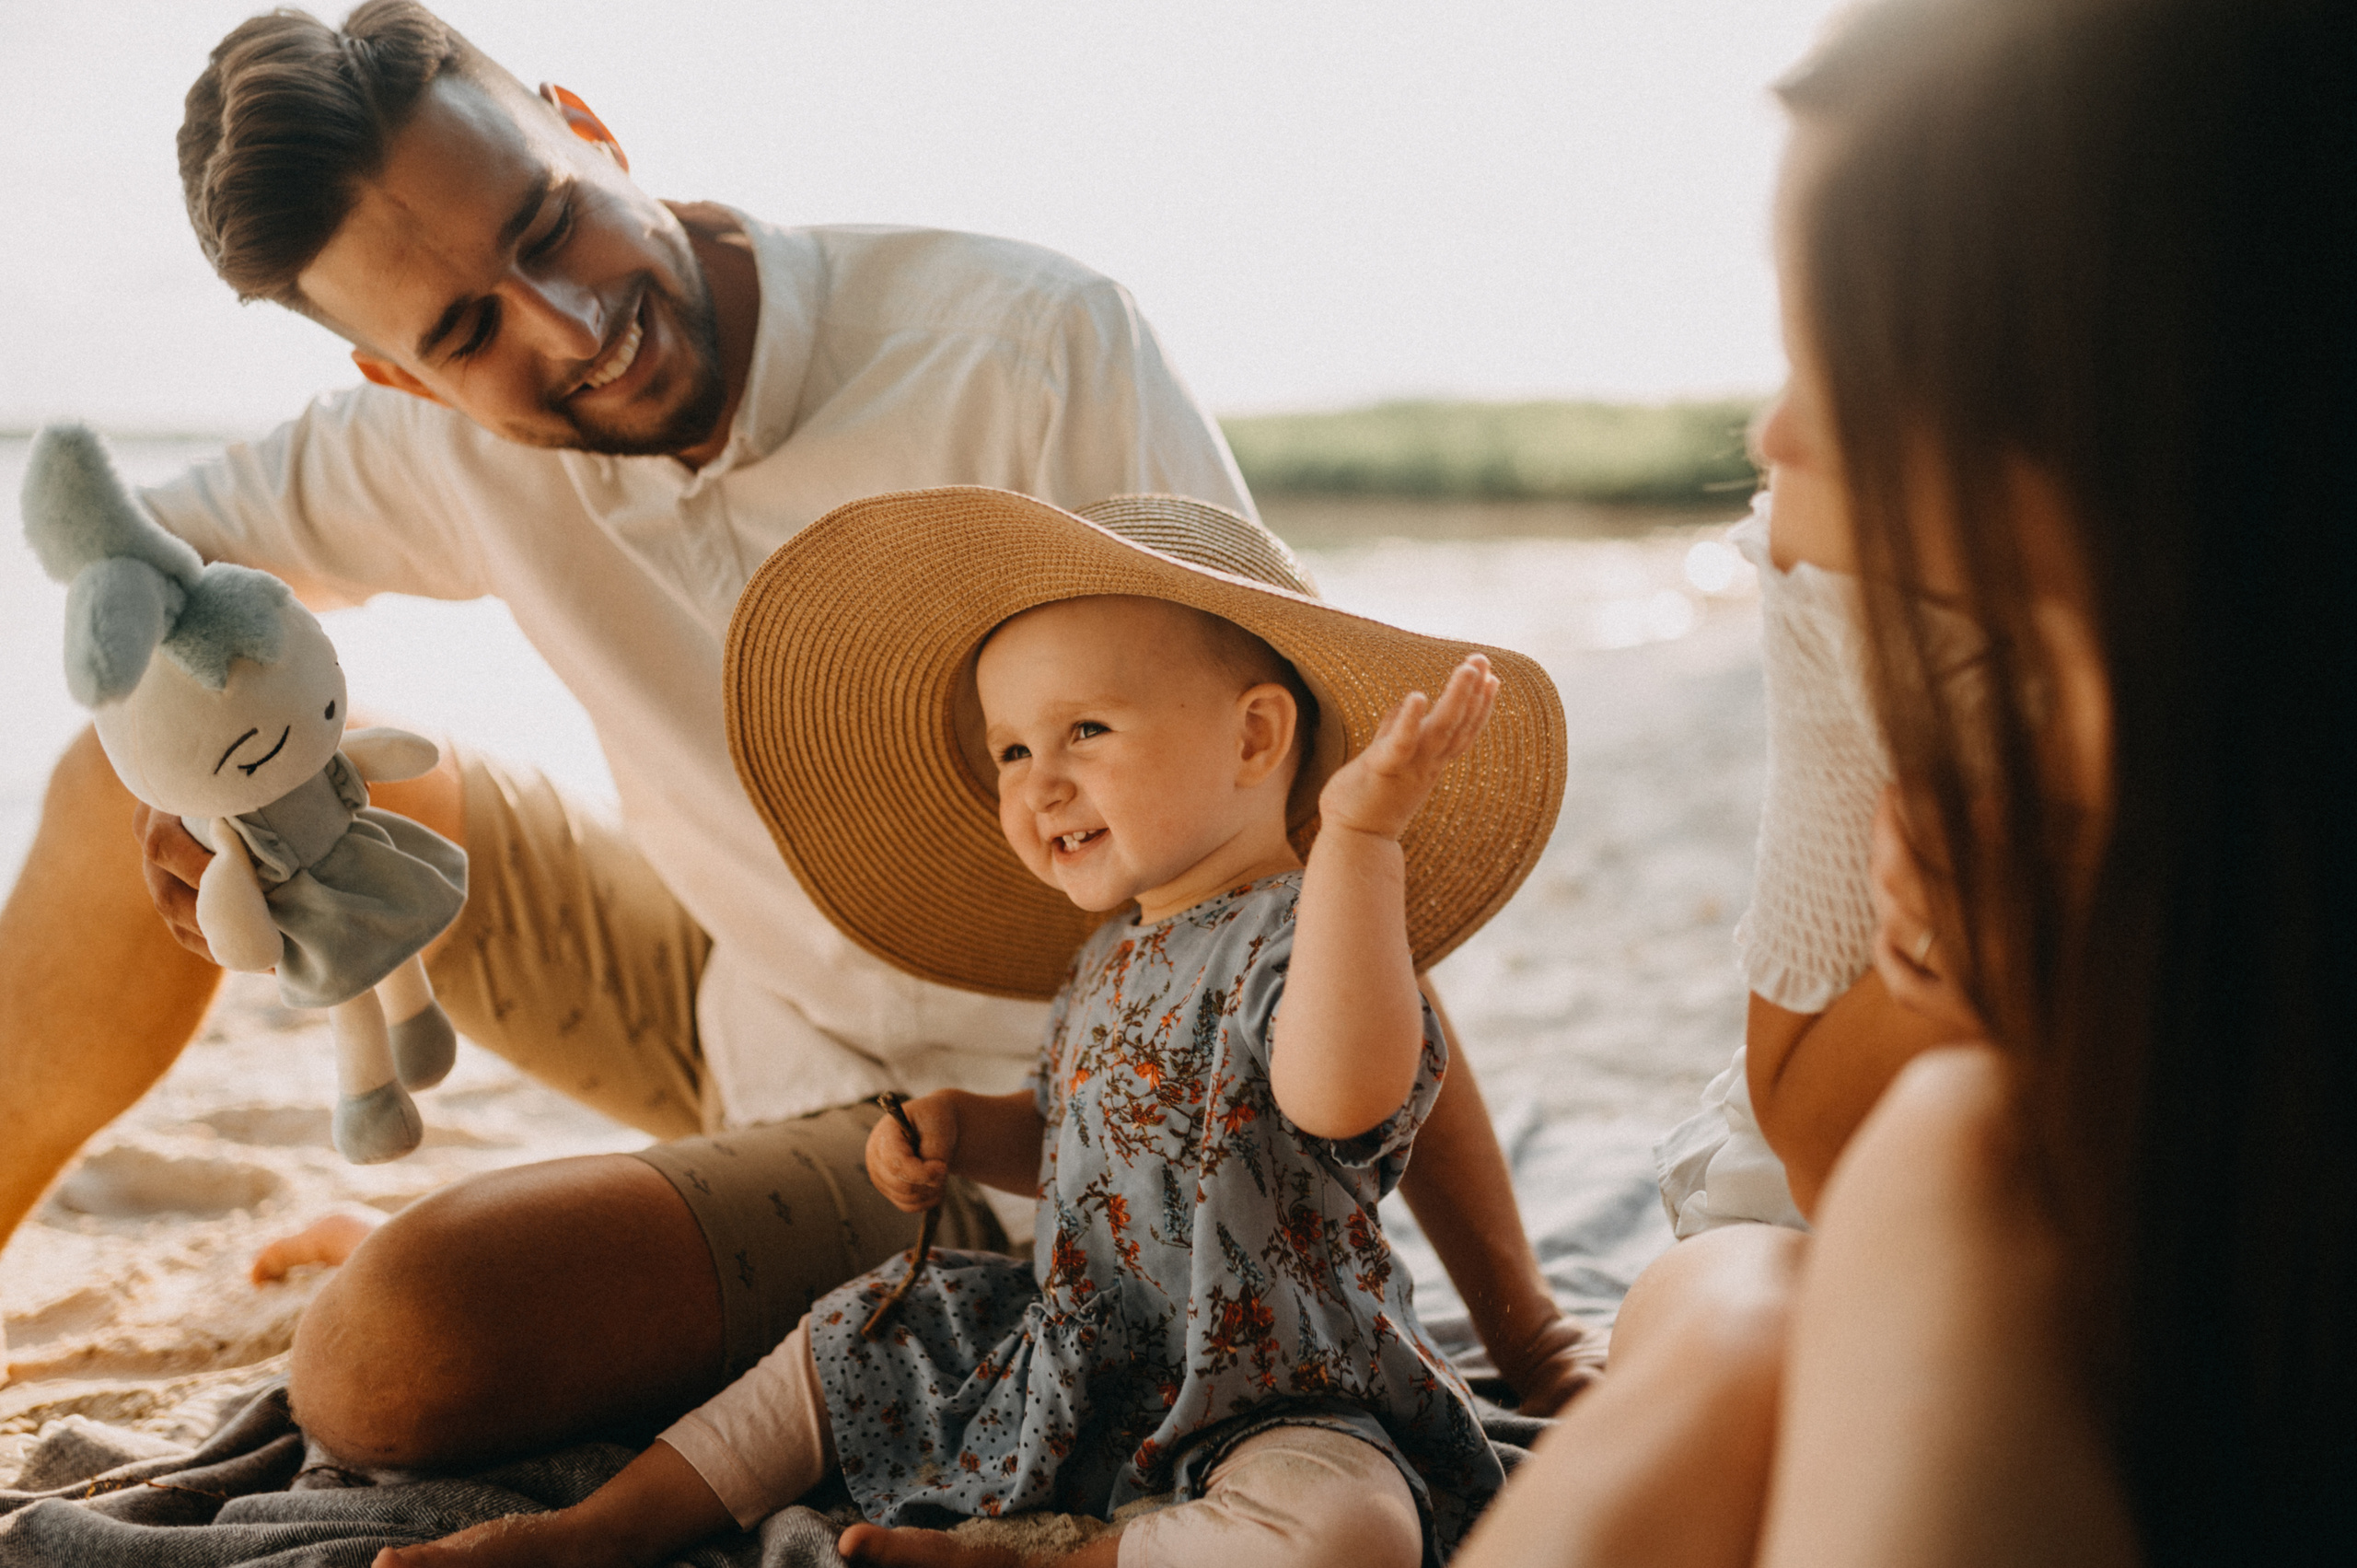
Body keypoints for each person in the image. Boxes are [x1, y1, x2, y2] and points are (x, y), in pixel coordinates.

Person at [0, 0, 1604, 1445]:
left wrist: (1524, 1333)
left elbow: (1315, 822)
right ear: (399, 378)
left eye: (552, 220)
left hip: (1006, 1121)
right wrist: (207, 790)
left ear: (591, 128)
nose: (566, 320)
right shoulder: (439, 446)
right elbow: (133, 551)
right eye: (469, 330)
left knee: (395, 1349)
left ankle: (624, 1256)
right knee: (132, 761)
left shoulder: (1025, 352)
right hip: (724, 1002)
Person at [1459, 0, 2357, 1562]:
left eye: (1853, 348)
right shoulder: (1855, 594)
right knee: (1763, 1302)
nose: (1778, 424)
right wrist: (1966, 976)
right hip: (1856, 1179)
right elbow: (1813, 1124)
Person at [376, 486, 1560, 1567]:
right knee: (855, 1333)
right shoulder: (1109, 954)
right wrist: (954, 1126)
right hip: (1080, 1353)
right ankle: (604, 1528)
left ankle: (1046, 1561)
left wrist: (1361, 844)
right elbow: (1070, 1139)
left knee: (1347, 1531)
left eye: (1085, 730)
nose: (1038, 780)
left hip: (1276, 1387)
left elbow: (1338, 1095)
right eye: (1010, 749)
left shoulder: (1302, 933)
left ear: (1255, 738)